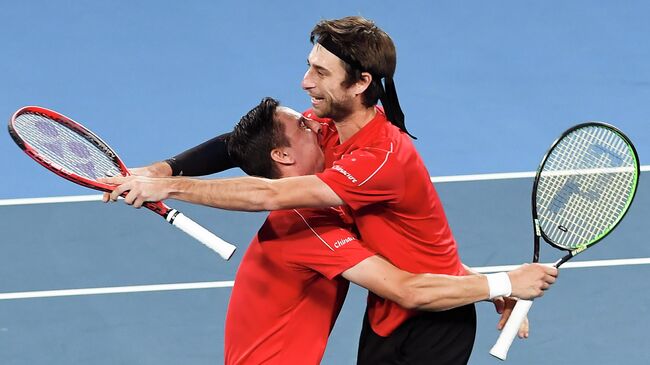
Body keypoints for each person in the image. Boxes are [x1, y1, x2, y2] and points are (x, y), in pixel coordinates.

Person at [102, 16, 559, 364]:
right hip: (391, 307)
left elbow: (270, 195)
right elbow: (235, 144)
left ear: (360, 83)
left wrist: (495, 283)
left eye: (321, 73)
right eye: (309, 67)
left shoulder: (375, 160)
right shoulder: (325, 127)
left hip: (427, 314)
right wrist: (162, 167)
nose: (306, 84)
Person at [221, 97, 555, 364]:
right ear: (281, 154)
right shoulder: (307, 224)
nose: (317, 125)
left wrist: (482, 284)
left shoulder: (322, 207)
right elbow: (407, 289)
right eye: (304, 126)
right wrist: (506, 282)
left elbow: (402, 259)